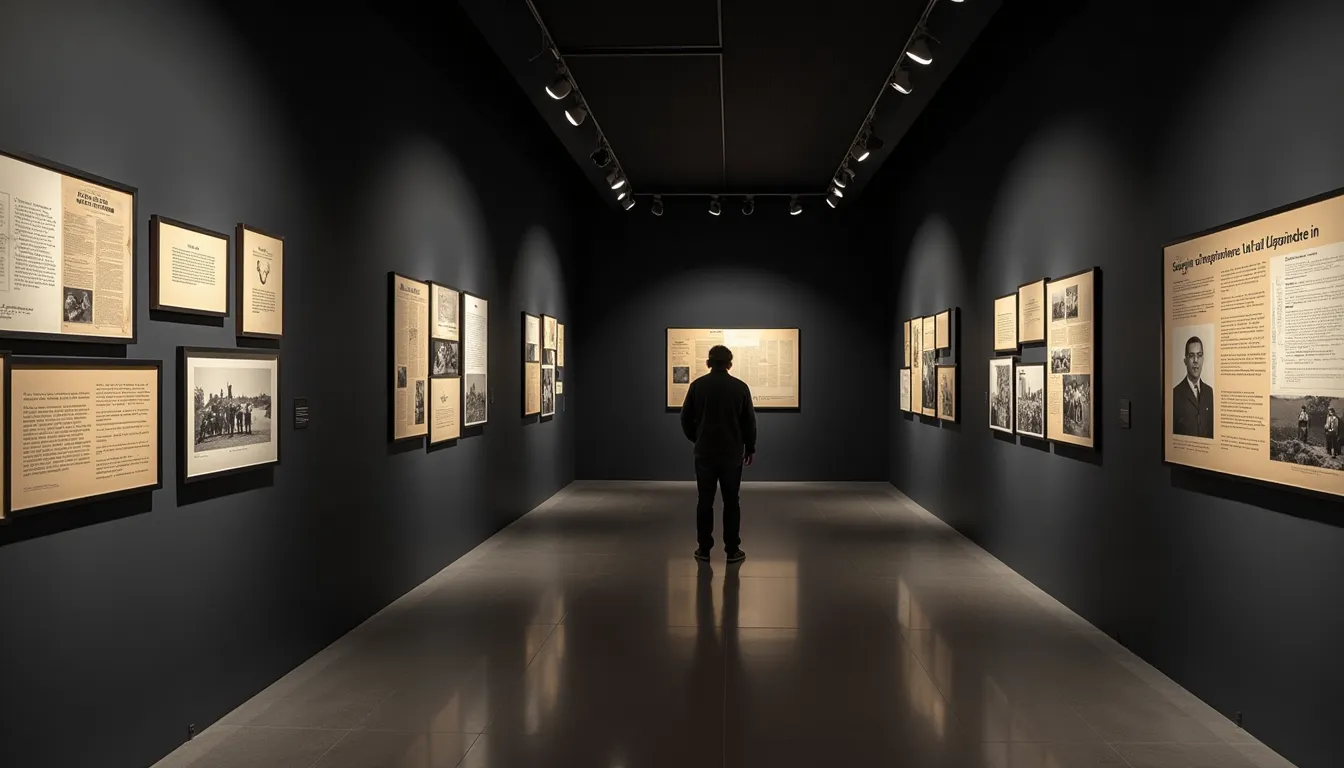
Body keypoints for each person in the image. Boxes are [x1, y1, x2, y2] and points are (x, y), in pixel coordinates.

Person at [680, 345, 756, 563]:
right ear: (730, 364)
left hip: (705, 453)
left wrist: (697, 438)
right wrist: (749, 447)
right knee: (732, 501)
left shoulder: (697, 386)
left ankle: (704, 549)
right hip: (732, 453)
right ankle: (732, 549)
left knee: (705, 501)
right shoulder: (740, 387)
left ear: (708, 363)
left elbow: (685, 419)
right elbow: (749, 422)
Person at [1171, 336, 1213, 438]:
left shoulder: (1209, 392)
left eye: (1199, 355)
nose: (1195, 360)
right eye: (1191, 356)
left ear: (1203, 359)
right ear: (1185, 361)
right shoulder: (1175, 394)